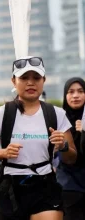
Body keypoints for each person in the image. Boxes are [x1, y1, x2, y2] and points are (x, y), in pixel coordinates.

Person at [0, 56, 77, 220]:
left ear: (44, 80)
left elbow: (72, 158)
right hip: (10, 188)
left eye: (36, 78)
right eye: (24, 78)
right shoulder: (3, 113)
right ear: (14, 81)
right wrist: (3, 153)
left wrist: (63, 145)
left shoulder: (56, 114)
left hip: (45, 186)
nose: (31, 83)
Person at [56, 77, 85, 220]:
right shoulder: (59, 120)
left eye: (80, 91)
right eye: (71, 92)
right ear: (65, 96)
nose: (75, 96)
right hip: (69, 186)